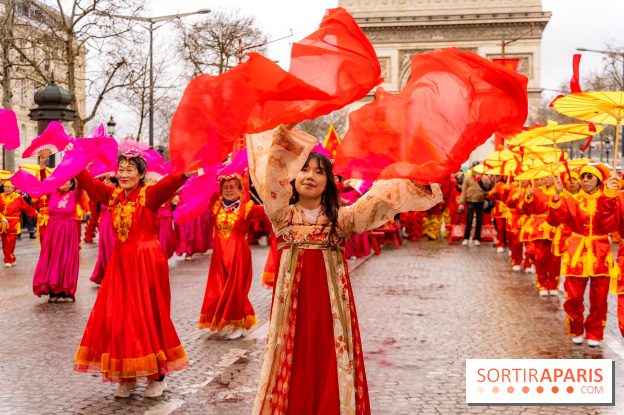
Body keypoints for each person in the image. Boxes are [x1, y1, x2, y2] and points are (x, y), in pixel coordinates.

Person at [248, 124, 442, 415]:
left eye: (319, 171)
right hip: (292, 308)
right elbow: (270, 176)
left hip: (331, 308)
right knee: (292, 356)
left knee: (329, 357)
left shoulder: (341, 219)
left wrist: (417, 172)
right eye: (304, 169)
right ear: (293, 177)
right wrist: (283, 132)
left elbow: (378, 200)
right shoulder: (282, 214)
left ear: (329, 182)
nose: (310, 176)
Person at [74, 143, 195, 398]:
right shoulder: (113, 196)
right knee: (118, 318)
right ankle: (126, 375)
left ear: (141, 174)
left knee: (148, 316)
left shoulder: (149, 195)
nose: (124, 174)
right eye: (121, 169)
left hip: (146, 261)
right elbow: (89, 184)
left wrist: (188, 170)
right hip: (120, 264)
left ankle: (157, 375)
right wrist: (74, 160)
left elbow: (170, 183)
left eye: (130, 169)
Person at [548, 164, 619, 347]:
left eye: (590, 177)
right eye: (583, 177)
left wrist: (609, 198)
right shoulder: (570, 200)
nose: (585, 180)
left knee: (599, 298)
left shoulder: (607, 199)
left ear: (598, 181)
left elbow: (607, 226)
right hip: (576, 253)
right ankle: (576, 328)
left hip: (600, 253)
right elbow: (554, 220)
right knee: (573, 297)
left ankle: (595, 332)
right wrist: (556, 196)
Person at [198, 174, 265, 339]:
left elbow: (270, 210)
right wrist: (222, 169)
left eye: (233, 187)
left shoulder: (247, 208)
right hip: (219, 255)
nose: (228, 190)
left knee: (237, 290)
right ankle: (230, 320)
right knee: (221, 289)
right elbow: (205, 182)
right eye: (225, 187)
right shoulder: (216, 206)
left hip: (238, 254)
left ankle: (240, 323)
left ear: (241, 190)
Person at [517, 175, 560, 297]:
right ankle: (542, 284)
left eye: (548, 176)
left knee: (555, 259)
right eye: (542, 177)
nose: (545, 179)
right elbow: (524, 209)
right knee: (540, 258)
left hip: (555, 227)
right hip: (539, 227)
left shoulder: (560, 190)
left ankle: (553, 285)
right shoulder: (534, 190)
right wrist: (529, 196)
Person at [0, 180, 38, 267]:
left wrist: (37, 215)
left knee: (11, 242)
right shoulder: (1, 196)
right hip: (3, 223)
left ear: (13, 188)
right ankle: (11, 258)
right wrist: (1, 218)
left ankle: (7, 260)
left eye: (9, 187)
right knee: (4, 242)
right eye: (5, 187)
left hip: (14, 223)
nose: (7, 189)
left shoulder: (18, 197)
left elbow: (27, 208)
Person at [89, 176, 118, 284]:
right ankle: (105, 274)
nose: (107, 183)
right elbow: (93, 192)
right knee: (104, 249)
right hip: (104, 224)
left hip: (114, 224)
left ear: (115, 184)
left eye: (109, 182)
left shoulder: (119, 194)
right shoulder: (102, 194)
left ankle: (114, 274)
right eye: (106, 182)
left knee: (112, 249)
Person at [459, 165, 491, 246]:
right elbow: (464, 191)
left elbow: (488, 189)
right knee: (469, 221)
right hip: (470, 201)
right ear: (471, 168)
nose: (475, 169)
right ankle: (466, 238)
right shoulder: (467, 178)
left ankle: (476, 238)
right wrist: (461, 203)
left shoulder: (485, 178)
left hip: (480, 202)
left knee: (479, 221)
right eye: (474, 167)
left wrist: (486, 196)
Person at [488, 177, 510, 253]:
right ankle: (500, 244)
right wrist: (492, 193)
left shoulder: (514, 185)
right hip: (499, 209)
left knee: (509, 228)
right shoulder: (497, 185)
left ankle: (510, 245)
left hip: (509, 209)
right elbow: (490, 197)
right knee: (500, 228)